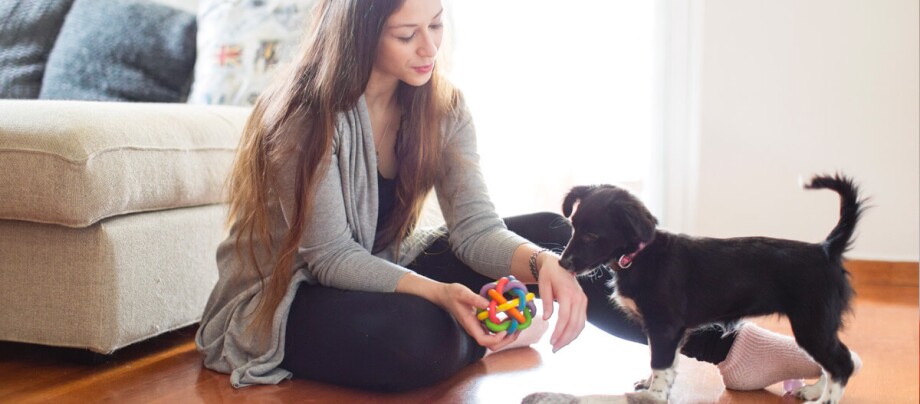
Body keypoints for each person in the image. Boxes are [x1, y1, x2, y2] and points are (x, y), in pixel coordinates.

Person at [196, 0, 841, 393]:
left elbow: (475, 229)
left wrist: (546, 270)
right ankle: (496, 320)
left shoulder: (441, 108)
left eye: (437, 25)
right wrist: (444, 293)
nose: (429, 48)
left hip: (382, 274)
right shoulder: (305, 117)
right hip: (292, 296)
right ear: (362, 34)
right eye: (406, 34)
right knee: (414, 340)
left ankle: (729, 348)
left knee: (551, 242)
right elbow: (333, 256)